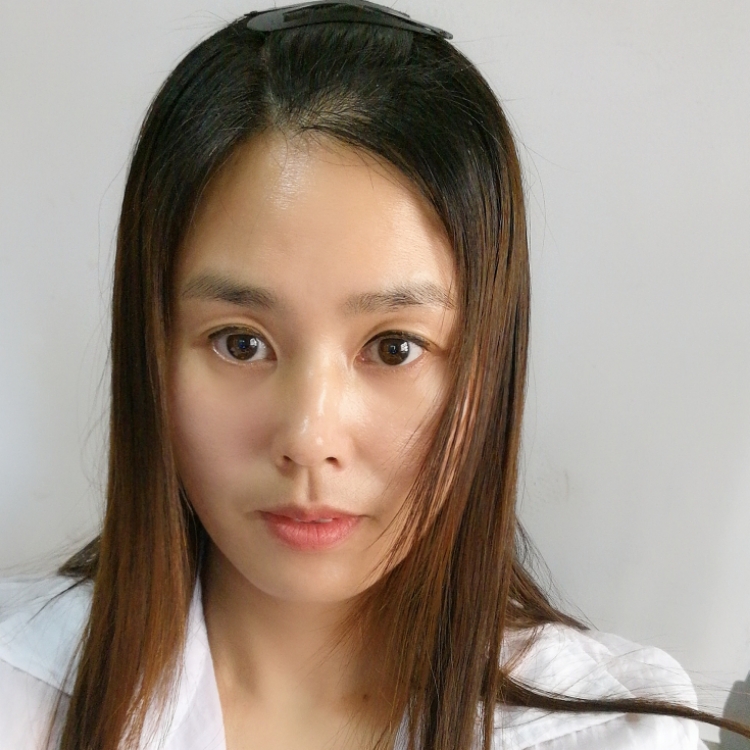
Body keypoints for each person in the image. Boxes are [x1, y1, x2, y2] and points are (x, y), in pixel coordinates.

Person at [0, 2, 748, 749]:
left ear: (487, 365)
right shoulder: (17, 690)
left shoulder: (614, 734)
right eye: (240, 343)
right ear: (150, 346)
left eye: (393, 348)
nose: (309, 439)